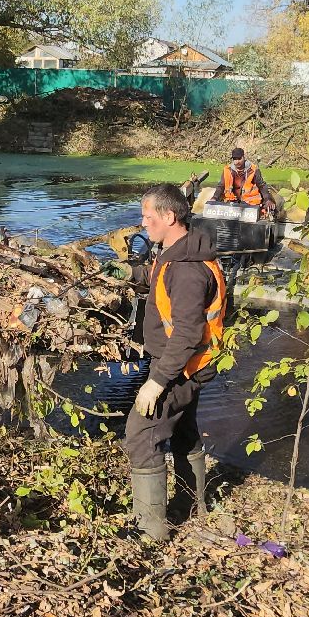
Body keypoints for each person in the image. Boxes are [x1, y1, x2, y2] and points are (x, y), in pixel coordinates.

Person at [125, 183, 227, 541]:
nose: (143, 222)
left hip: (182, 366)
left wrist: (157, 381)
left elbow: (186, 332)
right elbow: (160, 287)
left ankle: (151, 531)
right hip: (191, 364)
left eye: (148, 216)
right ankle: (192, 505)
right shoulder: (176, 251)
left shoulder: (187, 269)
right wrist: (132, 275)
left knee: (141, 434)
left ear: (169, 216)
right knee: (183, 430)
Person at [216, 147, 278, 218]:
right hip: (230, 204)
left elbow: (262, 186)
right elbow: (220, 186)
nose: (237, 162)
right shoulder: (227, 170)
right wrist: (214, 198)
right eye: (235, 159)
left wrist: (268, 200)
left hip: (250, 205)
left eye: (239, 159)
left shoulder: (254, 170)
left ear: (244, 157)